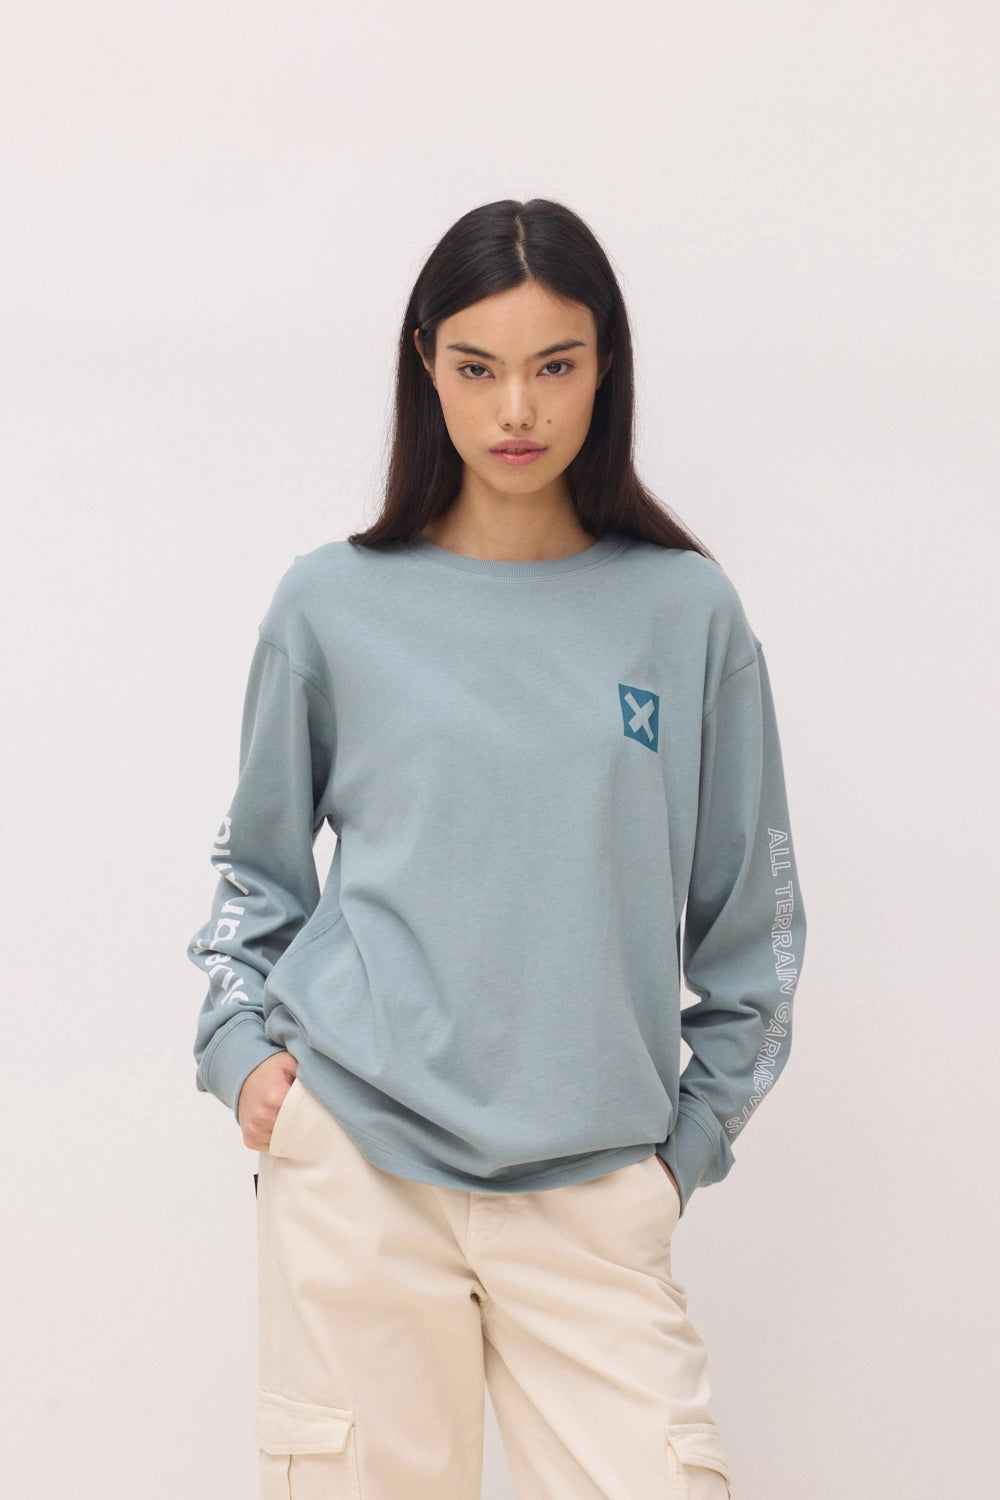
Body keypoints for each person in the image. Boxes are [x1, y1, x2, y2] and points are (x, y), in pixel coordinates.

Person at [189, 197, 806, 1500]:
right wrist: (239, 1051)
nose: (516, 409)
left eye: (554, 366)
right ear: (427, 366)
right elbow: (257, 873)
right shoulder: (331, 604)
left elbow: (753, 934)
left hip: (594, 1194)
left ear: (605, 366)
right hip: (358, 1171)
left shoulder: (685, 612)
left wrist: (683, 1153)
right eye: (478, 368)